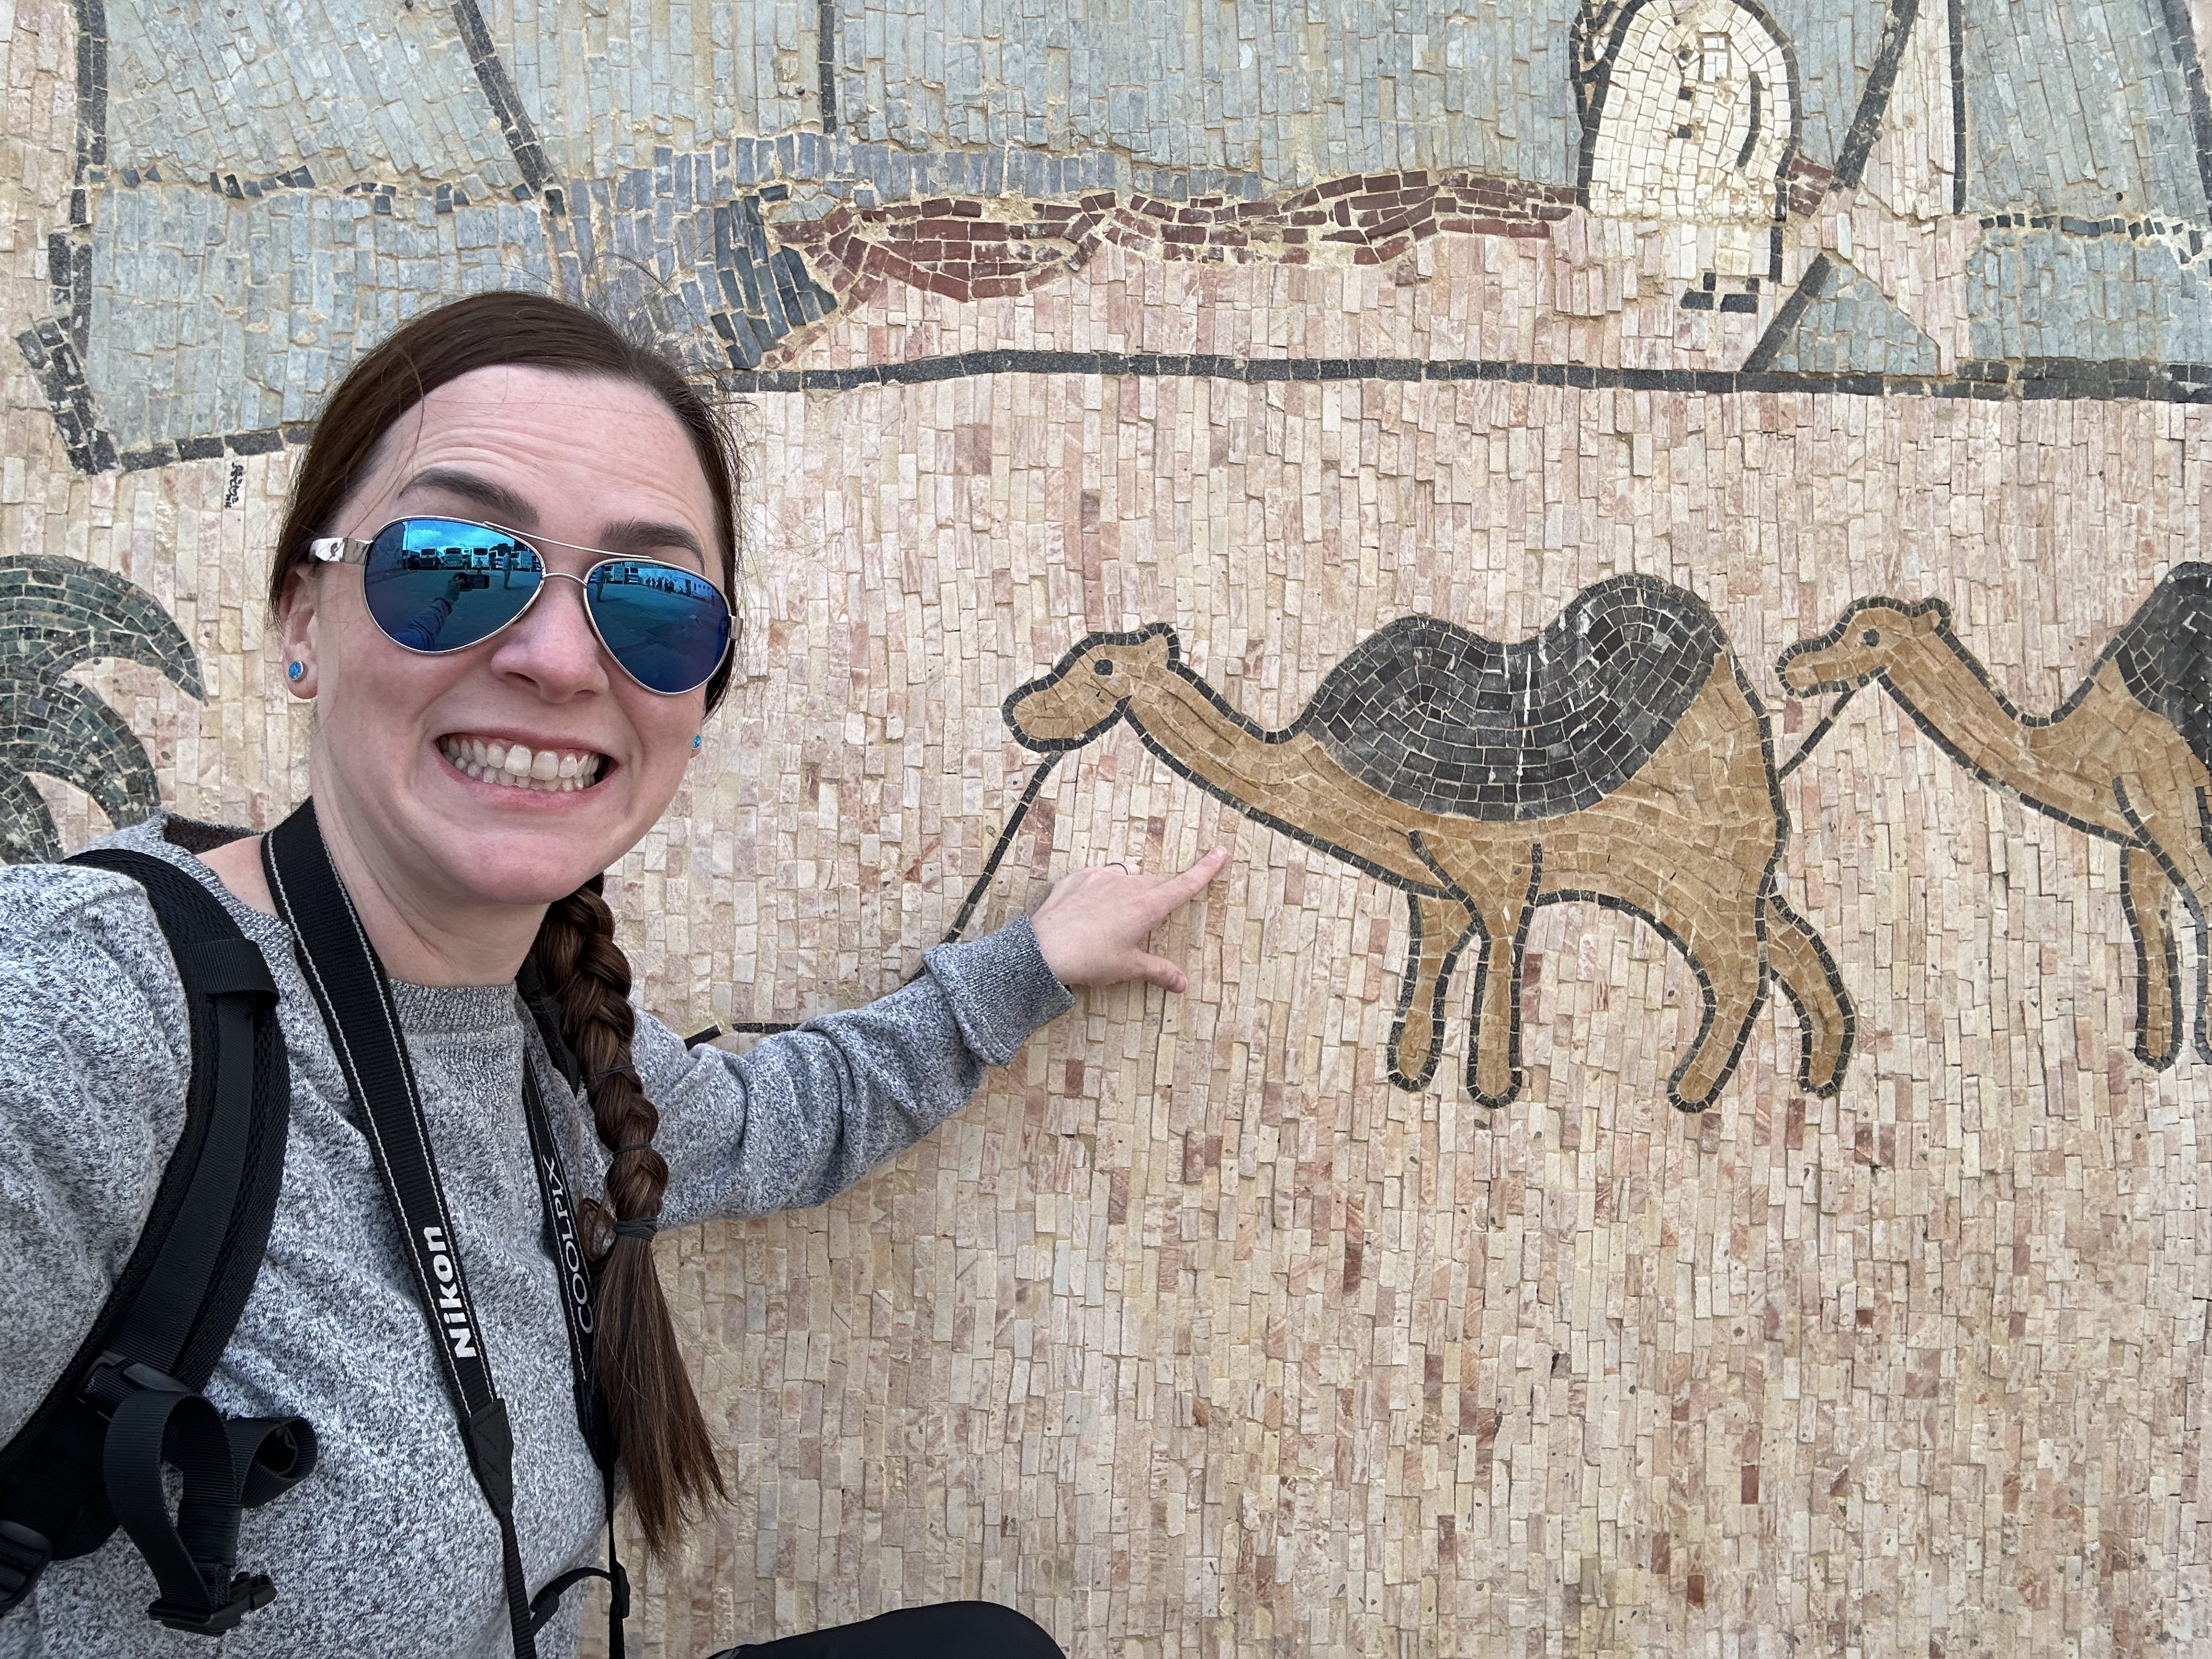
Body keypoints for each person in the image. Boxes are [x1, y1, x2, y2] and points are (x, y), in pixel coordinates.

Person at [0, 291, 1227, 1657]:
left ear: (696, 701)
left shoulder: (554, 1044)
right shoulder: (85, 1012)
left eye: (651, 603)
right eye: (457, 564)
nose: (558, 660)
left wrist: (1032, 964)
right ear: (304, 615)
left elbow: (781, 1120)